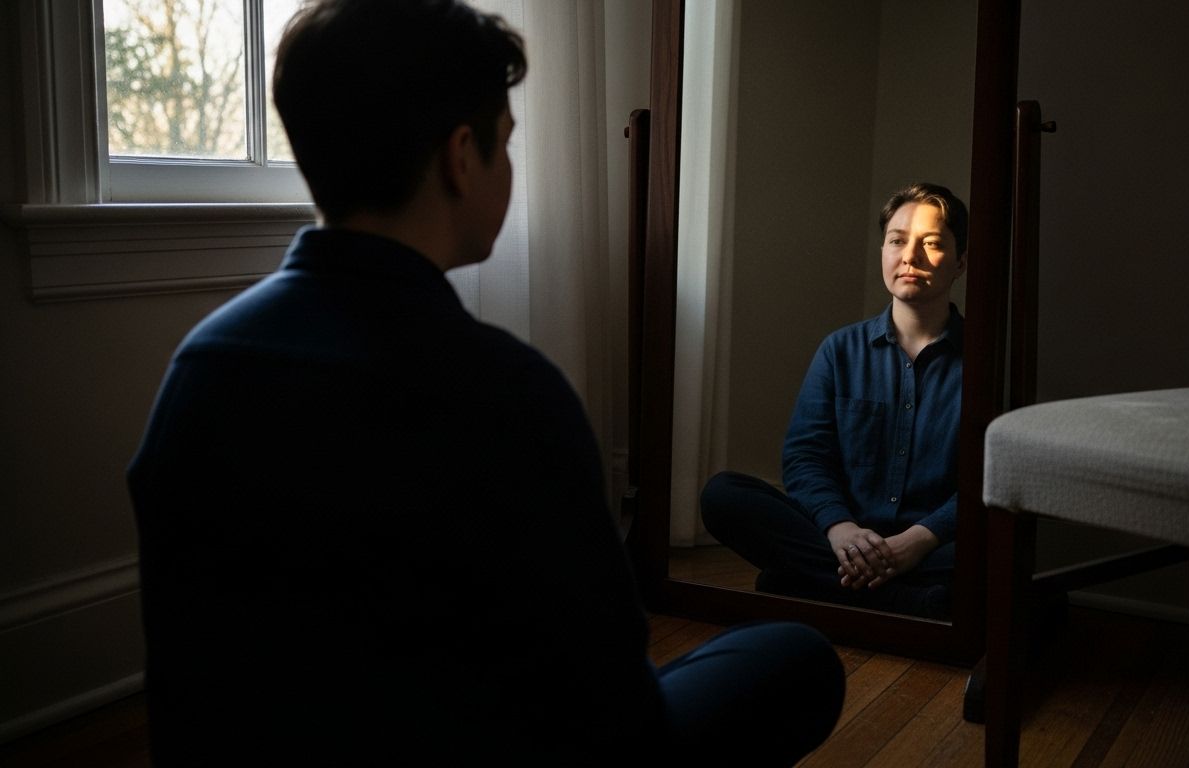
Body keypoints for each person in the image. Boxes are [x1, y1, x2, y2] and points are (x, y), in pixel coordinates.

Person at [126, 1, 843, 764]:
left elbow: (183, 675)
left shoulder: (200, 365)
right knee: (796, 657)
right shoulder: (508, 392)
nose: (506, 168)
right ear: (459, 157)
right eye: (505, 146)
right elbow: (612, 706)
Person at [701, 182, 967, 619]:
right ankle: (904, 602)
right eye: (897, 241)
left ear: (961, 262)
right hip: (839, 535)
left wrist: (919, 539)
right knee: (724, 495)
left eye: (932, 244)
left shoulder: (984, 362)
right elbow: (806, 457)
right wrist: (839, 528)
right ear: (883, 250)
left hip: (935, 546)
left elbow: (986, 481)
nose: (909, 257)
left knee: (1005, 551)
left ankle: (806, 584)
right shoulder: (840, 350)